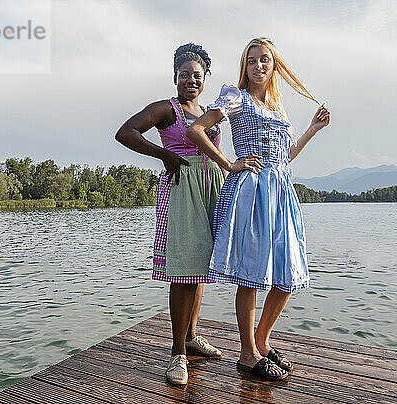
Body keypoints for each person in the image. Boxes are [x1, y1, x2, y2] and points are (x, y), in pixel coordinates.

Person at [186, 37, 330, 381]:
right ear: (245, 67)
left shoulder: (279, 110)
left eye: (264, 60)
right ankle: (247, 353)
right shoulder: (237, 98)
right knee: (252, 274)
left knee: (287, 274)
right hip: (250, 190)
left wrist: (312, 129)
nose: (258, 66)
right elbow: (196, 129)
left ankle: (262, 339)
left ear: (274, 65)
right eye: (252, 61)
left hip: (281, 191)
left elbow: (286, 155)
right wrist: (228, 164)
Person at [115, 43, 224, 385]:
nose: (191, 80)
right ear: (174, 78)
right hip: (181, 186)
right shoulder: (167, 109)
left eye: (197, 75)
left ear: (205, 78)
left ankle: (192, 337)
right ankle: (177, 353)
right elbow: (125, 132)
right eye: (184, 75)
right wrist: (164, 155)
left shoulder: (209, 111)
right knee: (183, 267)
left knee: (201, 266)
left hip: (211, 186)